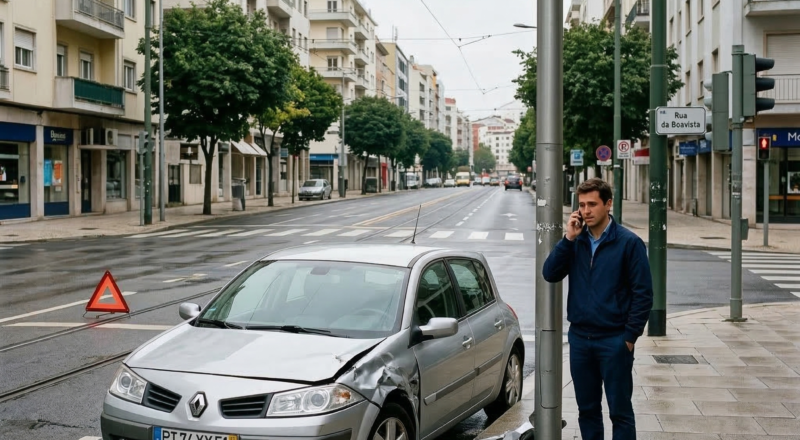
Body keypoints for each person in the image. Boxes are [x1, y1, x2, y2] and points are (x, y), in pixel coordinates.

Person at [542, 177, 653, 440]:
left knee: (620, 411)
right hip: (580, 339)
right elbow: (550, 273)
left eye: (592, 204)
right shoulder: (575, 241)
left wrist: (629, 337)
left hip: (614, 340)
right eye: (582, 205)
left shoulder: (629, 243)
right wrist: (568, 238)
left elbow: (643, 294)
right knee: (587, 409)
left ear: (608, 204)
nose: (586, 211)